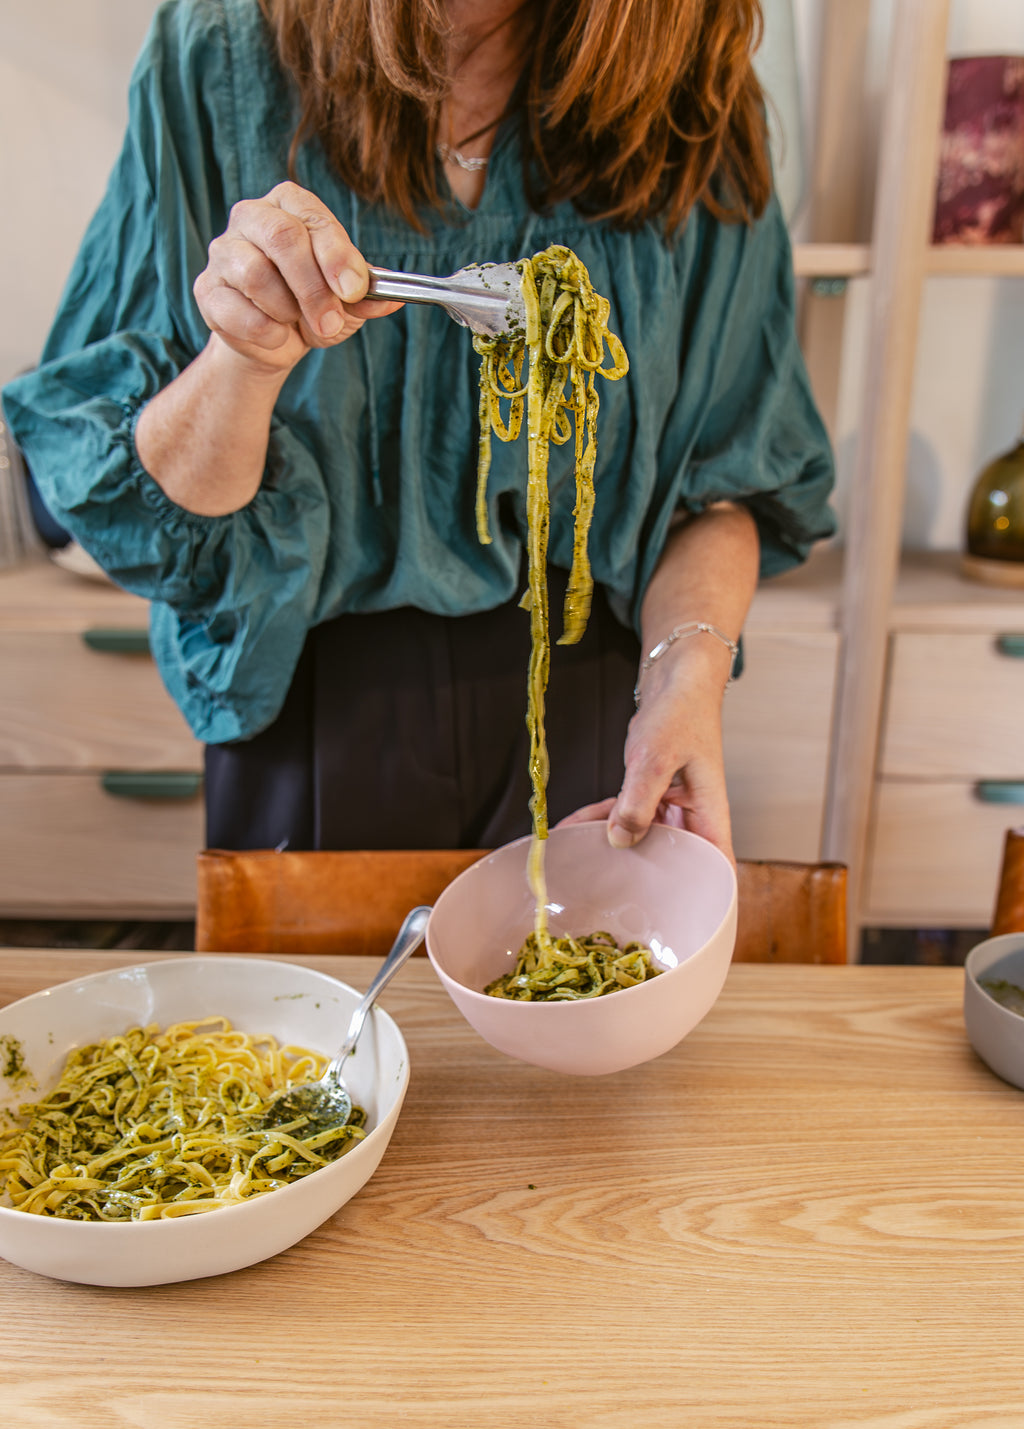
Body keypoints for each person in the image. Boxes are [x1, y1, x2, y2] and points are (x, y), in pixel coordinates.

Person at [3, 0, 835, 866]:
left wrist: (685, 680)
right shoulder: (220, 55)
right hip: (312, 687)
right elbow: (141, 506)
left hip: (603, 690)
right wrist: (242, 361)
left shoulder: (688, 82)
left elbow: (728, 482)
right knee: (323, 1005)